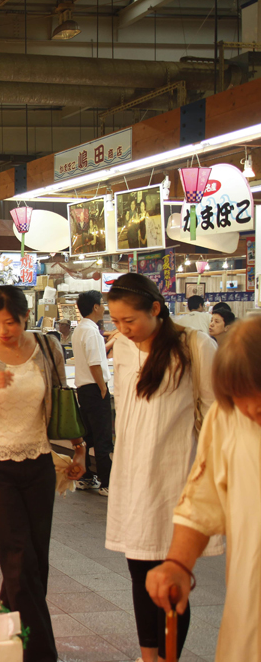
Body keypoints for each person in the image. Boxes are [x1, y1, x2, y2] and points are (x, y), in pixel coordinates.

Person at [0, 286, 84, 662]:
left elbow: (61, 399)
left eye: (9, 322)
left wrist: (79, 448)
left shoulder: (48, 349)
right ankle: (41, 654)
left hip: (39, 466)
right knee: (18, 557)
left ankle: (2, 634)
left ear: (26, 317)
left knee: (34, 564)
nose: (2, 330)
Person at [104, 273, 221, 662]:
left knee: (171, 576)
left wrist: (209, 475)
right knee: (139, 571)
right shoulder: (122, 345)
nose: (122, 329)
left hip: (175, 476)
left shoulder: (194, 345)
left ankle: (170, 657)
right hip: (133, 473)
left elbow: (214, 413)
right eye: (115, 321)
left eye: (129, 321)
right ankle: (148, 656)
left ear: (155, 309)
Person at [145, 317, 261, 661]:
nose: (251, 412)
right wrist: (178, 562)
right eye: (242, 403)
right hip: (250, 605)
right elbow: (201, 498)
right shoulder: (227, 417)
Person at [72, 290, 113, 496]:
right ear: (95, 307)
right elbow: (95, 363)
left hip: (83, 389)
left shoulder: (80, 330)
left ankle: (87, 478)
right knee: (103, 436)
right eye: (102, 303)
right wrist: (104, 388)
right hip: (95, 389)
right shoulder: (92, 331)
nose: (104, 307)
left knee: (88, 436)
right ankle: (107, 482)